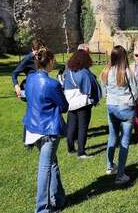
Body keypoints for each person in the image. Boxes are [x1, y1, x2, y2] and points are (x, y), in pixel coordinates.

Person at [23, 48, 68, 213]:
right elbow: (64, 107)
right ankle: (42, 209)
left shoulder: (30, 79)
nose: (54, 63)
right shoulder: (52, 84)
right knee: (46, 167)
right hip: (47, 130)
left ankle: (58, 198)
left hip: (32, 128)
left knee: (51, 162)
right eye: (53, 61)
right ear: (48, 62)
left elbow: (27, 97)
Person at [100, 45, 138, 184]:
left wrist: (110, 100)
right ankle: (120, 174)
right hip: (126, 108)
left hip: (112, 107)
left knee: (112, 137)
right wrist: (132, 102)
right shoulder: (127, 72)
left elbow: (103, 90)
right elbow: (136, 91)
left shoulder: (106, 71)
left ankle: (110, 166)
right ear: (124, 57)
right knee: (124, 140)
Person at [63, 50, 101, 158]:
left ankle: (70, 149)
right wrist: (94, 99)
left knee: (71, 127)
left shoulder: (69, 72)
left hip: (70, 103)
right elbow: (91, 87)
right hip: (83, 104)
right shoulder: (84, 72)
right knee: (82, 128)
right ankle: (81, 152)